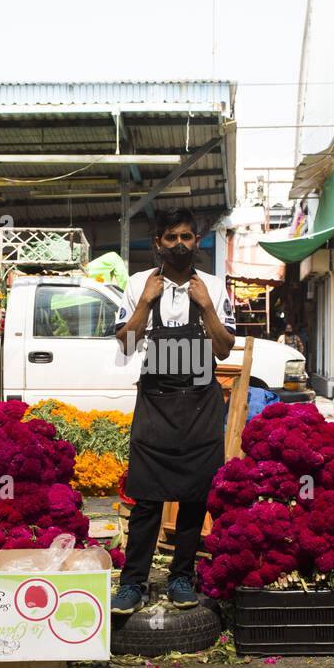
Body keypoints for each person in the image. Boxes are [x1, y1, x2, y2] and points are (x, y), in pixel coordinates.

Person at [111, 207, 235, 614]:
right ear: (158, 243)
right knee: (146, 497)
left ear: (196, 242)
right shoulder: (135, 285)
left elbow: (223, 348)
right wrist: (146, 303)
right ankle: (133, 583)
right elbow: (126, 346)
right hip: (156, 403)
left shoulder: (214, 287)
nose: (180, 244)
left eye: (187, 237)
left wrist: (207, 309)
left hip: (200, 403)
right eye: (172, 237)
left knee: (195, 497)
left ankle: (183, 577)